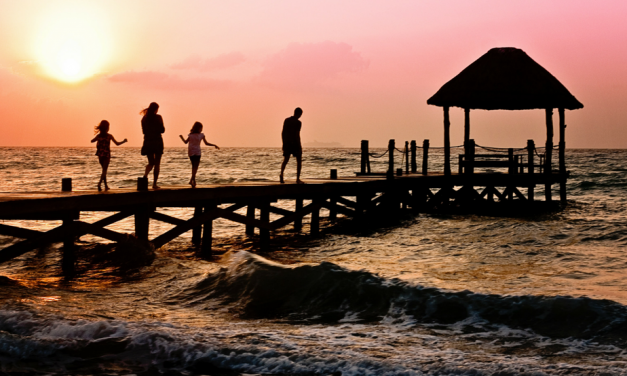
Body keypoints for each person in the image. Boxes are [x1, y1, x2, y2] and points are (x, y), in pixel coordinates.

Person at [179, 122, 219, 188]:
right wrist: (214, 145)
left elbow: (185, 142)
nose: (201, 129)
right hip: (197, 151)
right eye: (201, 128)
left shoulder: (191, 135)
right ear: (199, 128)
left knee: (193, 166)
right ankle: (193, 180)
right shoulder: (201, 135)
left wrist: (181, 137)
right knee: (195, 167)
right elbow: (206, 143)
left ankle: (191, 180)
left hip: (191, 151)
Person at [90, 120, 127, 191]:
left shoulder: (98, 136)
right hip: (106, 155)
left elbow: (92, 141)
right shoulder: (109, 136)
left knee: (104, 171)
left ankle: (106, 185)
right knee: (104, 171)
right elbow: (117, 143)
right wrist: (124, 141)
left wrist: (97, 139)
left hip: (100, 155)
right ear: (107, 127)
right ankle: (99, 183)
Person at [140, 102, 165, 189]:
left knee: (151, 162)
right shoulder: (158, 117)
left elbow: (144, 131)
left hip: (148, 141)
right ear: (156, 109)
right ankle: (154, 184)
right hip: (157, 141)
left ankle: (145, 176)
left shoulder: (144, 118)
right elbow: (162, 130)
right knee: (157, 163)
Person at [280, 107, 304, 184]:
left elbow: (283, 133)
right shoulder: (298, 123)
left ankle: (281, 174)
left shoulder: (286, 120)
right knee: (299, 160)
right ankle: (297, 179)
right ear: (299, 114)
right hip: (295, 144)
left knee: (286, 160)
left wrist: (283, 143)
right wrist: (299, 146)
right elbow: (297, 135)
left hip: (287, 143)